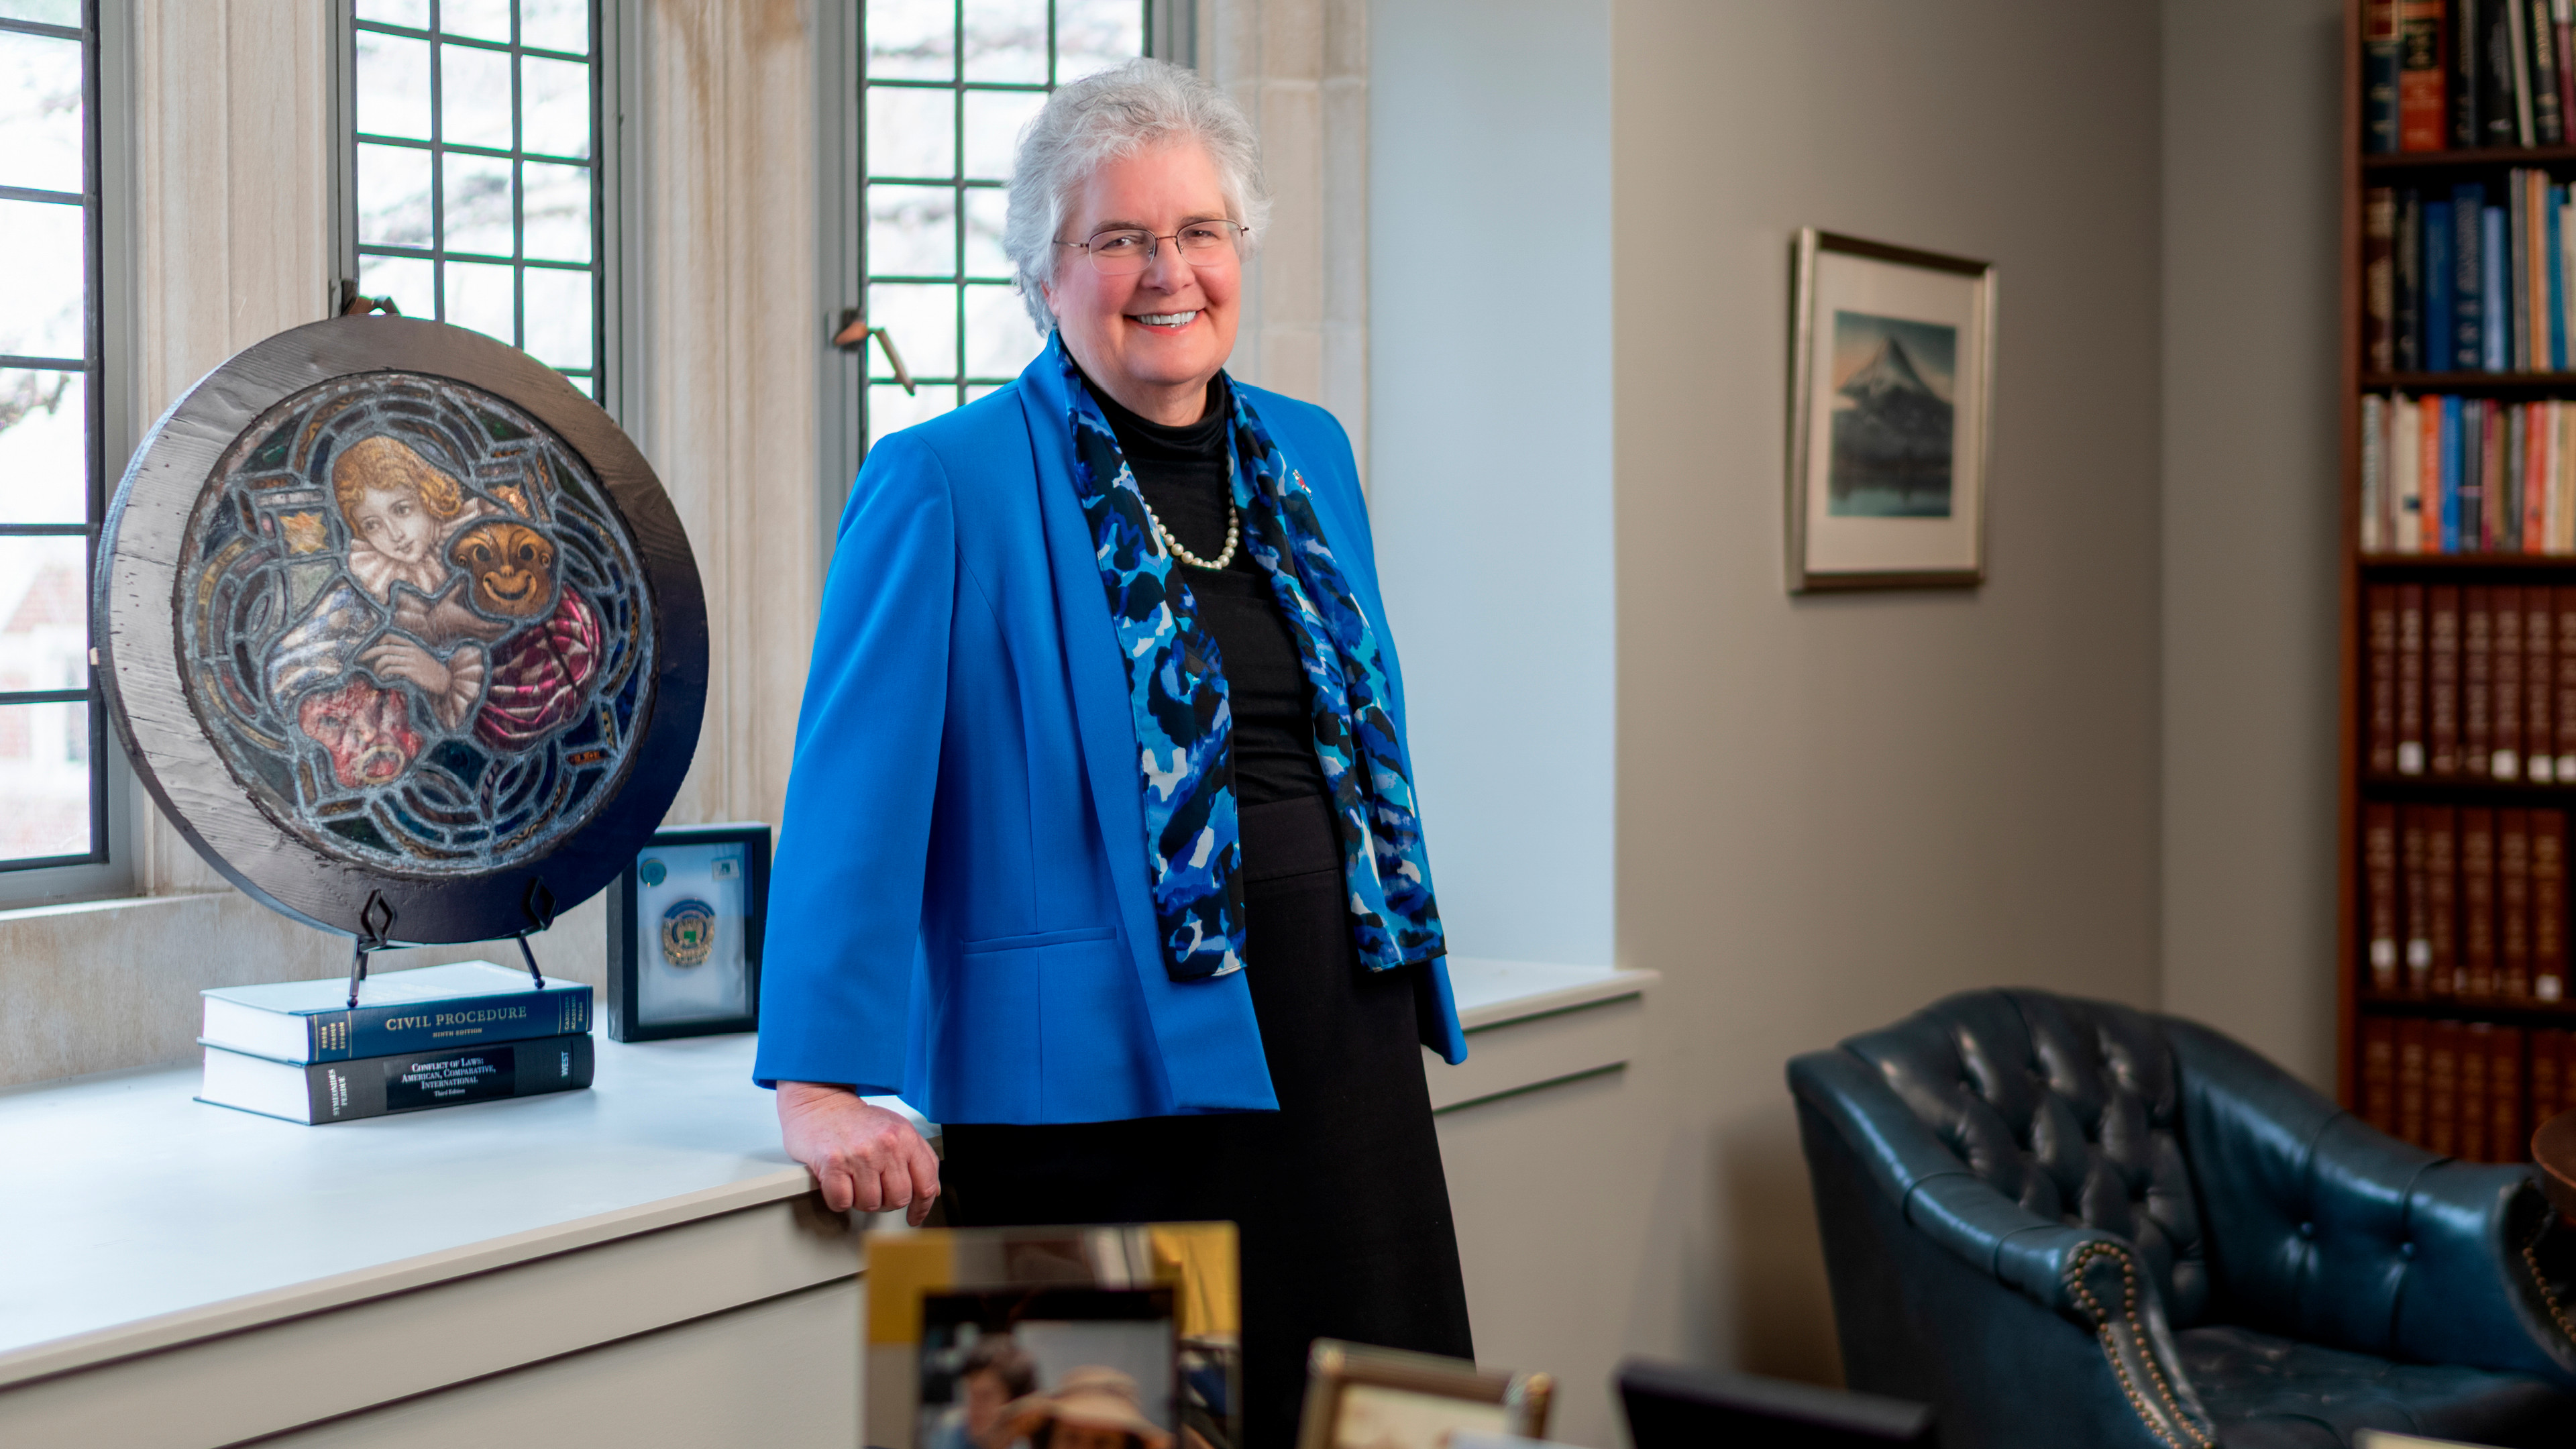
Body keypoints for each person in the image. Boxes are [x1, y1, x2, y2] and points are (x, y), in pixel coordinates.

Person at [755, 57, 1474, 1449]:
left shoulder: (1313, 454)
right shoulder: (941, 479)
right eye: (1119, 237)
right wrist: (820, 1080)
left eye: (1199, 232)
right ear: (1043, 273)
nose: (1169, 271)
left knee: (1379, 1430)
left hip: (1340, 1056)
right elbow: (855, 800)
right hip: (1081, 1094)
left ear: (1239, 251)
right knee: (1088, 1441)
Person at [930, 1338, 1040, 1449]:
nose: (975, 1406)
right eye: (972, 1394)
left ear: (1016, 1402)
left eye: (986, 1397)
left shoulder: (1035, 1441)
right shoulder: (951, 1433)